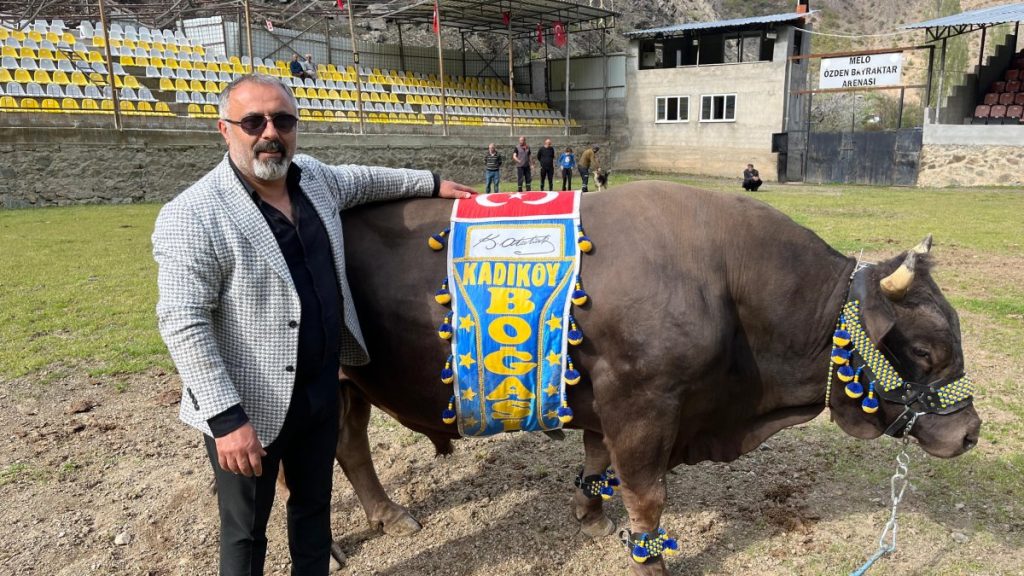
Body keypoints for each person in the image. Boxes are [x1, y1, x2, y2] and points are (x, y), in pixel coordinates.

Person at [152, 74, 474, 576]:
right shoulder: (192, 214)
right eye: (253, 121)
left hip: (320, 389)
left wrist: (431, 182)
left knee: (312, 514)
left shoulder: (313, 179)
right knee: (245, 533)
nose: (269, 133)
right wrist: (226, 421)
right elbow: (182, 323)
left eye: (282, 120)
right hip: (248, 406)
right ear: (225, 129)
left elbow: (365, 179)